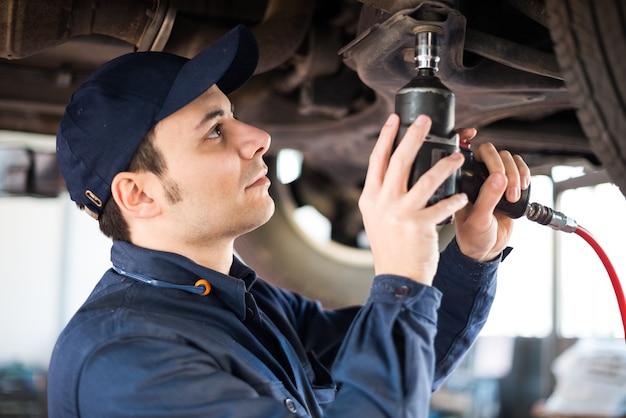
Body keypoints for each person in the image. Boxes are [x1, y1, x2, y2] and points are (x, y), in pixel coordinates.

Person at [48, 25, 530, 417]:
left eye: (234, 116)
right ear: (138, 194)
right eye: (215, 131)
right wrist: (400, 277)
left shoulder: (244, 303)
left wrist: (471, 254)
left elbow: (393, 369)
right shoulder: (126, 361)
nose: (259, 136)